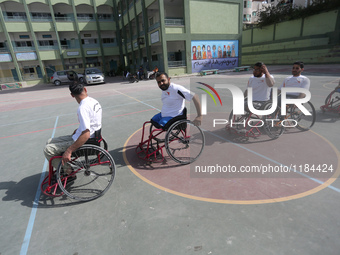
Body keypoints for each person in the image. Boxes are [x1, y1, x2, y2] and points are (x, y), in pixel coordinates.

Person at [43, 83, 102, 170]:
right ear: (85, 89)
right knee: (49, 141)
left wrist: (69, 150)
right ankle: (63, 166)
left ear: (72, 95)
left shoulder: (83, 108)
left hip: (86, 140)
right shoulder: (94, 101)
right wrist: (79, 129)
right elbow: (92, 123)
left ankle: (68, 171)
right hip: (93, 136)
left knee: (48, 150)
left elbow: (86, 134)